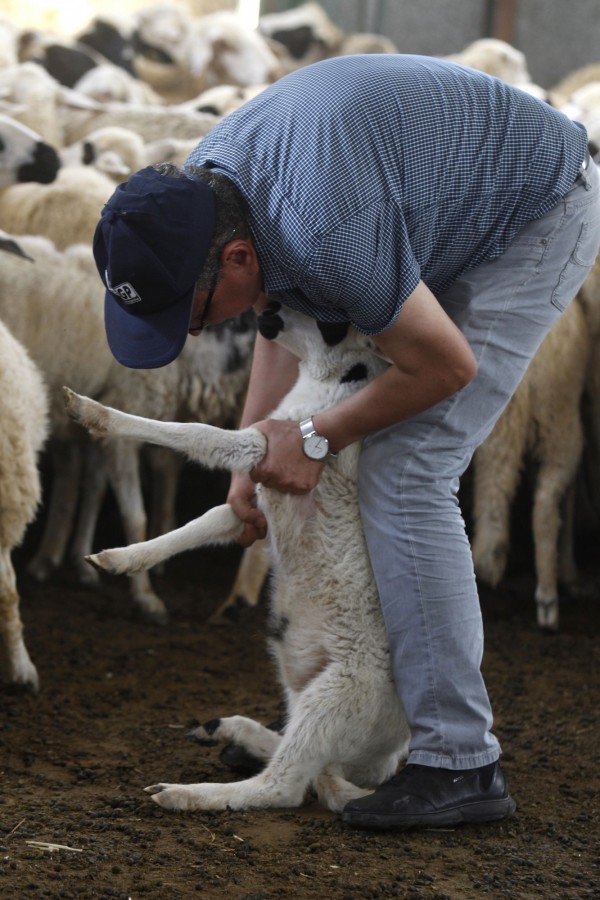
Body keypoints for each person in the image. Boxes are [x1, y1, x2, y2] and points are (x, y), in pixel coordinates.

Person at [92, 54, 600, 829]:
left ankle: (462, 760)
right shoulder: (205, 194)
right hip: (428, 211)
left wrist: (314, 437)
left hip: (535, 213)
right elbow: (276, 315)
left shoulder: (323, 228)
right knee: (372, 456)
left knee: (406, 469)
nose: (194, 331)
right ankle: (366, 728)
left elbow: (445, 366)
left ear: (231, 258)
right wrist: (253, 453)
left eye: (191, 311)